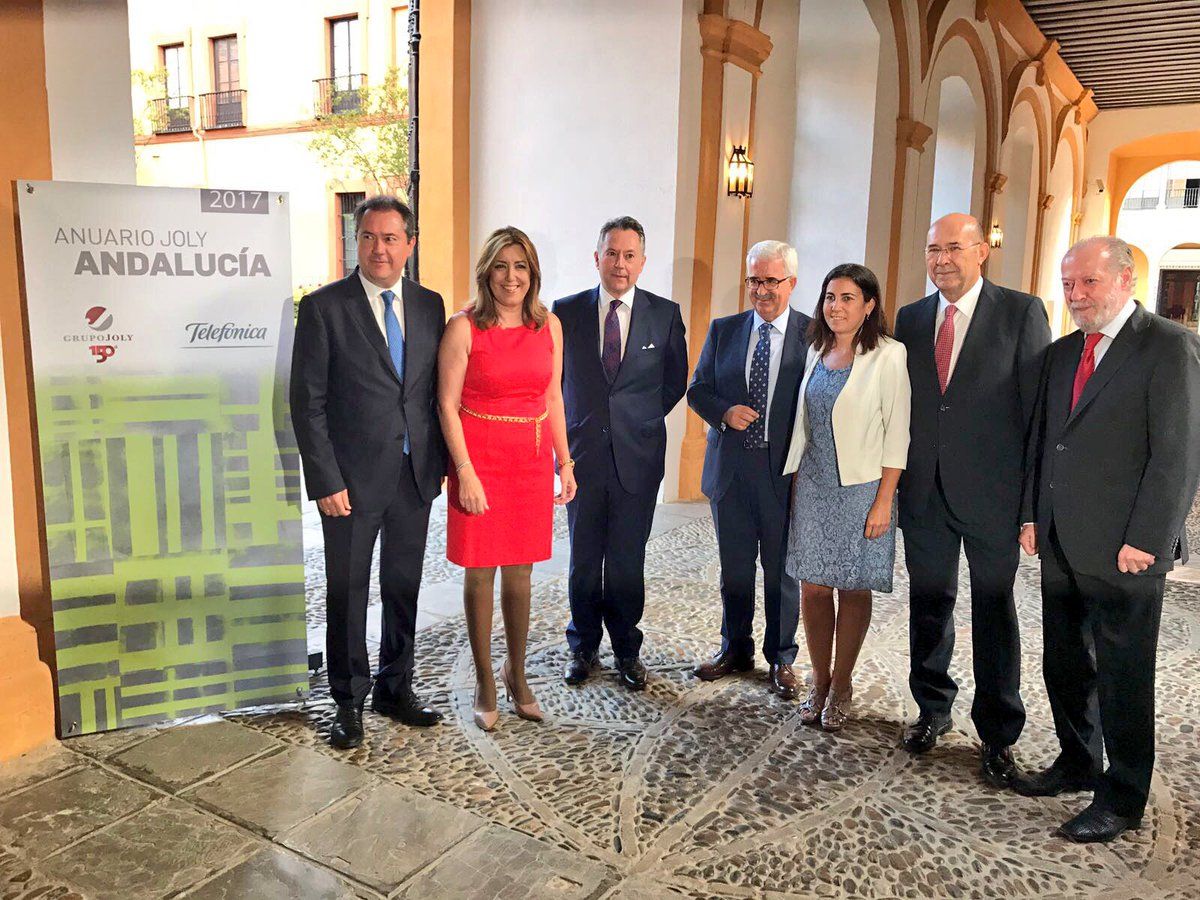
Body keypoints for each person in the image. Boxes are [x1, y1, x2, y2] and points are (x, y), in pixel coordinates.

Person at [1016, 236, 1200, 843]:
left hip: (1127, 546)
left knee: (1123, 674)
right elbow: (1048, 441)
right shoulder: (1064, 352)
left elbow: (1177, 455)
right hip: (1062, 538)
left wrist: (1149, 536)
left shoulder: (1170, 347)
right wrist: (1031, 516)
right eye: (1069, 285)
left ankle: (1122, 796)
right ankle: (1076, 761)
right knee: (1066, 662)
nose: (1076, 296)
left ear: (1126, 280)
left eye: (1089, 283)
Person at [893, 213, 1050, 786]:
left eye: (954, 248)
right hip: (925, 491)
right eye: (933, 249)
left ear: (982, 251)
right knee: (929, 605)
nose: (942, 260)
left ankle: (999, 733)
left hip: (994, 495)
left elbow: (1037, 415)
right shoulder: (910, 318)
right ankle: (933, 708)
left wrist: (1031, 505)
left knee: (993, 611)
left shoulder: (1021, 312)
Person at [291, 196, 446, 750]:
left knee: (403, 586)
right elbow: (306, 402)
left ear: (409, 243)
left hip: (414, 477)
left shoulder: (430, 306)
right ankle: (348, 700)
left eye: (390, 238)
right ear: (357, 242)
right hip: (350, 485)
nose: (379, 249)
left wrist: (441, 463)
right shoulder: (324, 308)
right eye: (369, 238)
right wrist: (325, 479)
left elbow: (432, 394)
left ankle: (394, 687)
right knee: (348, 591)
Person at [438, 227, 575, 731]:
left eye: (521, 266)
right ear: (486, 272)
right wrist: (466, 473)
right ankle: (485, 681)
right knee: (480, 572)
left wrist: (565, 462)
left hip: (530, 463)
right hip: (479, 463)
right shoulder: (464, 327)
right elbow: (446, 406)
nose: (511, 276)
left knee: (520, 573)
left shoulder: (550, 326)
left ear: (532, 274)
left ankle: (517, 675)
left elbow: (554, 398)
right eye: (501, 266)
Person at [553, 216, 688, 690]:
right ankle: (583, 645)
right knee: (584, 558)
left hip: (638, 458)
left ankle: (627, 651)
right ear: (597, 258)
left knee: (628, 559)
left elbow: (675, 381)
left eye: (630, 255)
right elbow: (553, 384)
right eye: (612, 253)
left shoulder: (665, 314)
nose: (620, 264)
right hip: (581, 457)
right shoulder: (564, 312)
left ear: (643, 262)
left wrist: (639, 421)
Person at [781, 264, 910, 730]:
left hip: (862, 488)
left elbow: (898, 433)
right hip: (813, 484)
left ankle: (843, 684)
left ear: (869, 304)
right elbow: (805, 424)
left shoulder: (889, 355)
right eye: (830, 297)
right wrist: (795, 479)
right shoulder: (816, 350)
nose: (836, 306)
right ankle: (819, 678)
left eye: (848, 298)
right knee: (813, 586)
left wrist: (884, 501)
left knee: (853, 587)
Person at [687, 241, 810, 699]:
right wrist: (724, 412)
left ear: (791, 284)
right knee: (735, 569)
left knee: (781, 571)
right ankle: (735, 648)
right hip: (731, 472)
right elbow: (697, 389)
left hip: (784, 475)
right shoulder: (725, 330)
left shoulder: (812, 335)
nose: (761, 290)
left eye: (771, 281)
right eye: (754, 280)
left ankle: (781, 659)